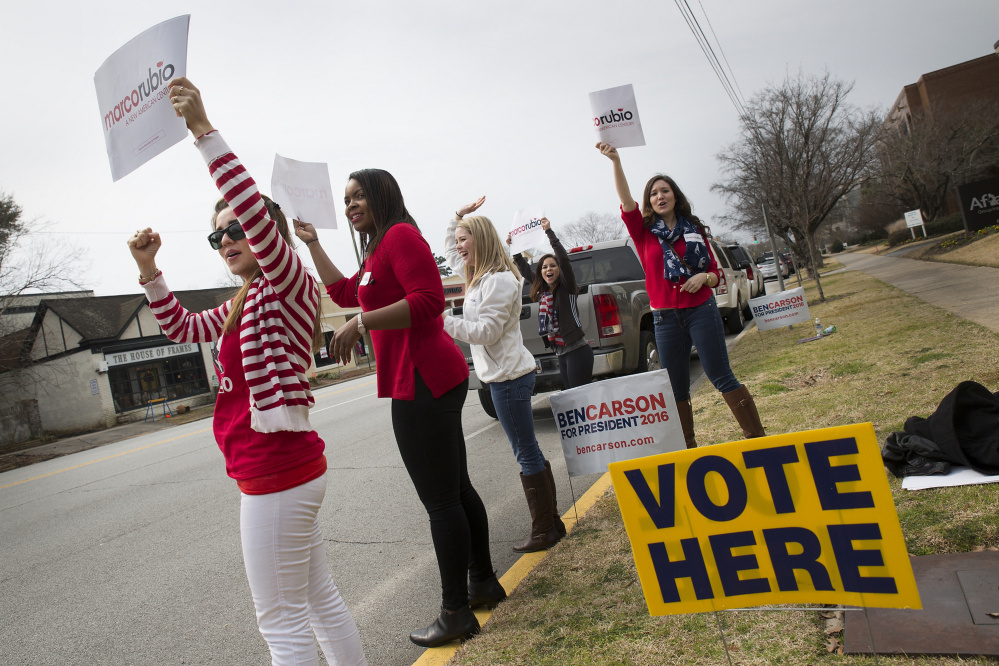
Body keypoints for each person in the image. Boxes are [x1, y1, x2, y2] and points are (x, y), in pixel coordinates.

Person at [126, 78, 366, 666]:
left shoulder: (286, 280)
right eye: (217, 234)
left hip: (275, 470)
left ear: (267, 233)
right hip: (284, 468)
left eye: (238, 228)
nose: (227, 239)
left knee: (280, 622)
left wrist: (203, 132)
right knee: (316, 601)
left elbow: (254, 211)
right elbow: (181, 327)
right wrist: (150, 269)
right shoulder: (244, 299)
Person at [295, 175, 503, 649]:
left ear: (381, 195)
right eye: (346, 200)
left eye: (359, 195)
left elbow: (428, 301)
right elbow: (348, 291)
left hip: (424, 379)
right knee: (456, 489)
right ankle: (484, 583)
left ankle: (456, 612)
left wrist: (361, 322)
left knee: (442, 500)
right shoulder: (377, 250)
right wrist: (314, 245)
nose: (350, 205)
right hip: (421, 380)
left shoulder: (401, 237)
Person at [595, 141, 765, 447]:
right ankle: (688, 448)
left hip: (701, 310)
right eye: (654, 193)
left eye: (665, 191)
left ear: (675, 196)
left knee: (720, 374)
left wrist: (704, 277)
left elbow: (715, 273)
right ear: (650, 201)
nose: (660, 196)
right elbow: (626, 200)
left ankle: (757, 438)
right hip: (665, 319)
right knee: (675, 388)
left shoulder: (695, 230)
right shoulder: (643, 231)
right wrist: (616, 162)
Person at [443, 198, 565, 554]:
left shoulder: (498, 280)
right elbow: (451, 252)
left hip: (509, 378)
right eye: (458, 240)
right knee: (527, 448)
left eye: (464, 239)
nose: (458, 246)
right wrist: (456, 218)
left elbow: (487, 331)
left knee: (525, 450)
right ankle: (552, 521)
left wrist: (444, 321)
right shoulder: (478, 276)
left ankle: (544, 529)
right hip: (502, 376)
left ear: (480, 240)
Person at [510, 218, 594, 389]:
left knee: (580, 397)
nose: (548, 269)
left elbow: (564, 260)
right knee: (572, 398)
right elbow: (525, 270)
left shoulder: (568, 287)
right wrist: (515, 249)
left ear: (559, 269)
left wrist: (549, 232)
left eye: (552, 266)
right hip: (561, 352)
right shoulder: (543, 291)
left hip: (577, 350)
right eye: (544, 267)